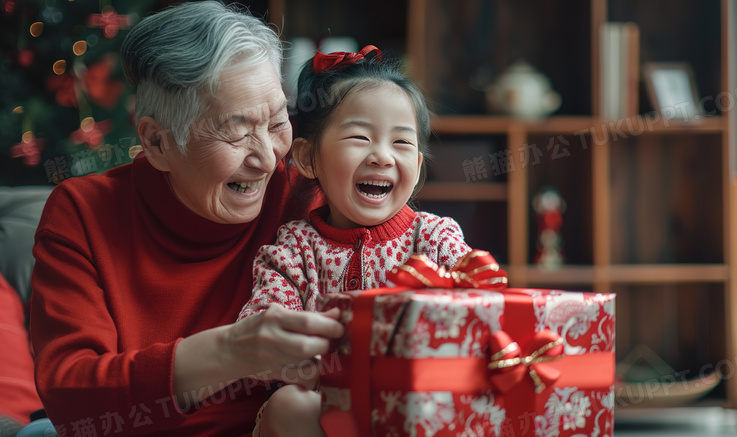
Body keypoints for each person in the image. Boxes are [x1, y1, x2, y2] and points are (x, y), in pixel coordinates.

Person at [24, 2, 344, 436]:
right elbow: (74, 403)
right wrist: (232, 351)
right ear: (156, 142)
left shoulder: (309, 195)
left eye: (276, 122)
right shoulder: (84, 213)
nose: (269, 159)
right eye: (235, 130)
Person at [238, 45, 472, 436]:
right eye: (360, 137)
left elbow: (480, 310)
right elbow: (263, 334)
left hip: (414, 406)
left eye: (401, 143)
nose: (382, 156)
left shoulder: (434, 239)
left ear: (416, 166)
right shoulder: (294, 250)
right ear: (309, 158)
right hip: (326, 409)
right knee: (289, 404)